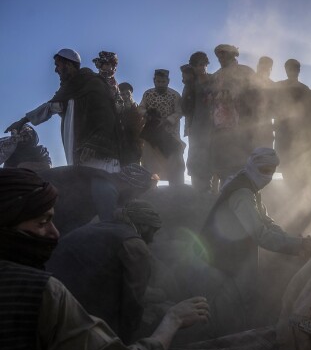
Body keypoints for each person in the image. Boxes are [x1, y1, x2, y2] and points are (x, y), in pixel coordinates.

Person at [0, 168, 209, 350]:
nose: (55, 233)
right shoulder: (45, 293)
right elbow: (132, 311)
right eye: (42, 222)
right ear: (144, 227)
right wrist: (173, 319)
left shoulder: (98, 227)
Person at [201, 148, 311, 328]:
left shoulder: (250, 188)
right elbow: (261, 235)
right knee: (225, 316)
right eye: (264, 170)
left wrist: (295, 241)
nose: (268, 176)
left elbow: (267, 222)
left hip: (231, 256)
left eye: (272, 171)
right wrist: (298, 245)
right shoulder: (242, 193)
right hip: (220, 260)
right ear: (253, 167)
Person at [5, 48, 122, 221]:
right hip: (80, 151)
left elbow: (106, 115)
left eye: (57, 65)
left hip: (98, 151)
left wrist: (95, 143)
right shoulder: (71, 89)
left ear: (68, 65)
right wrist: (23, 121)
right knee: (83, 189)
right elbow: (51, 107)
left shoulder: (93, 83)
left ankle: (112, 225)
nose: (55, 70)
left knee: (101, 183)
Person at [46, 200, 162, 344]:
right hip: (77, 315)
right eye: (153, 230)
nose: (153, 239)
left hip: (49, 299)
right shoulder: (134, 243)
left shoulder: (96, 228)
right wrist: (126, 343)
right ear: (143, 226)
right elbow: (133, 300)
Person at [209, 44, 257, 188]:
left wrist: (237, 96)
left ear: (232, 54)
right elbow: (209, 96)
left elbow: (256, 93)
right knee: (223, 157)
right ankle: (225, 188)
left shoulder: (246, 71)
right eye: (218, 55)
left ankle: (245, 189)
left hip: (243, 121)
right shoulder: (216, 75)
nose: (220, 57)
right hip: (220, 123)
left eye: (223, 54)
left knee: (242, 157)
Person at [138, 69, 185, 185]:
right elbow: (140, 108)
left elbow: (180, 112)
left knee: (175, 159)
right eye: (158, 81)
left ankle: (176, 187)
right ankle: (150, 187)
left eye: (163, 81)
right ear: (154, 81)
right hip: (151, 134)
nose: (160, 84)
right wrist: (147, 114)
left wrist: (166, 121)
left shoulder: (174, 95)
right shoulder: (148, 94)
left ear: (168, 81)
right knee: (149, 161)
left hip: (170, 134)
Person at [275, 59, 311, 188]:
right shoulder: (278, 86)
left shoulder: (304, 89)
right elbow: (270, 104)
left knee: (300, 162)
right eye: (289, 68)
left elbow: (309, 111)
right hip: (282, 131)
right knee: (285, 164)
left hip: (299, 133)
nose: (292, 71)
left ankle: (299, 192)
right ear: (286, 70)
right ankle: (291, 191)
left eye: (295, 68)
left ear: (298, 70)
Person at [183, 52, 214, 191]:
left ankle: (212, 189)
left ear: (206, 64)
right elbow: (185, 108)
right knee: (195, 155)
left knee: (212, 154)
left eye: (202, 64)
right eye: (197, 65)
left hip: (213, 123)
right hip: (196, 124)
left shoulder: (214, 79)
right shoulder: (190, 84)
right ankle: (197, 189)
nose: (200, 68)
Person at [118, 82, 144, 165]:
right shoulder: (118, 109)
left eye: (127, 93)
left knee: (134, 169)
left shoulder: (136, 107)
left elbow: (138, 126)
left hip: (134, 145)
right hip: (120, 145)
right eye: (122, 94)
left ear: (131, 94)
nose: (125, 96)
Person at [255, 56, 276, 148]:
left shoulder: (273, 85)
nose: (265, 69)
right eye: (263, 65)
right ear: (258, 66)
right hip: (247, 123)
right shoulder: (247, 81)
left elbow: (277, 106)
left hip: (266, 124)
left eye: (267, 67)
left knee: (266, 155)